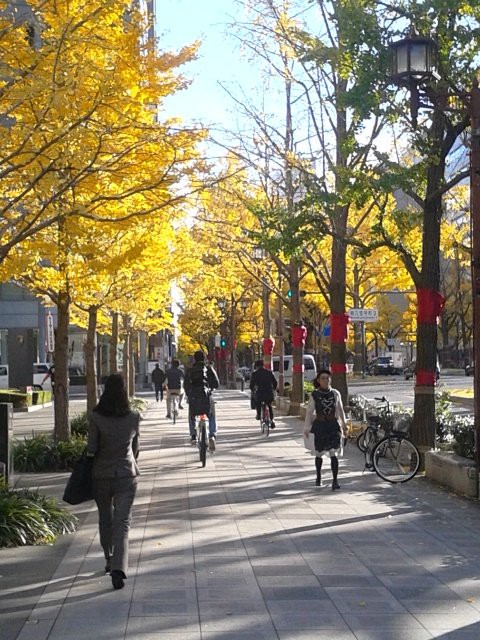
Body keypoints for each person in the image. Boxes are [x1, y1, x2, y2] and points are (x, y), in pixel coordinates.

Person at [87, 374, 140, 590]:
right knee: (123, 523)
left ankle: (109, 558)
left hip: (101, 474)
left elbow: (91, 448)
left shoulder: (96, 417)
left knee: (105, 519)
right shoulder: (134, 417)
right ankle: (119, 568)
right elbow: (136, 449)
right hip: (127, 474)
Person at [303, 369, 347, 490]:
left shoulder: (335, 393)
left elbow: (340, 409)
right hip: (320, 426)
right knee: (319, 453)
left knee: (334, 452)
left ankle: (335, 480)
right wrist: (307, 427)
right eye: (323, 378)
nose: (325, 380)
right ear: (318, 380)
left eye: (327, 378)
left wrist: (344, 424)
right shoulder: (315, 395)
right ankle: (318, 477)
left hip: (333, 425)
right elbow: (309, 412)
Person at [184, 350, 219, 451]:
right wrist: (210, 389)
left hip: (194, 397)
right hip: (206, 397)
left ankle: (193, 436)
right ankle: (212, 435)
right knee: (212, 415)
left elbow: (186, 385)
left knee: (191, 416)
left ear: (194, 359)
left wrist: (189, 395)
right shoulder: (209, 369)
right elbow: (216, 383)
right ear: (204, 358)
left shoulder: (190, 370)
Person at [249, 359, 278, 428]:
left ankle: (258, 415)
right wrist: (273, 389)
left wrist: (253, 390)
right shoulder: (269, 372)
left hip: (260, 393)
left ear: (256, 366)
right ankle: (272, 420)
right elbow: (275, 382)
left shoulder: (255, 374)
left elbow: (251, 385)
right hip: (269, 393)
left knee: (258, 403)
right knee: (269, 405)